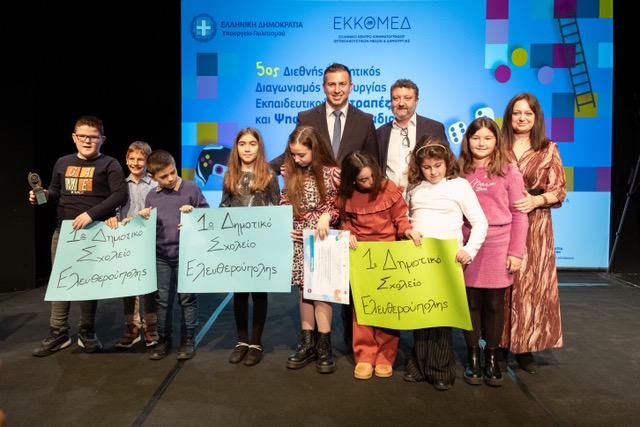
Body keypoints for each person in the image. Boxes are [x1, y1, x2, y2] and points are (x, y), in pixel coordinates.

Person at [29, 116, 128, 357]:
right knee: (61, 282)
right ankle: (58, 332)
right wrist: (42, 195)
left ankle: (87, 331)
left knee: (88, 284)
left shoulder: (110, 164)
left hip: (94, 233)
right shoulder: (63, 162)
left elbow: (120, 195)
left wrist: (91, 214)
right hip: (63, 232)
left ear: (102, 139)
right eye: (82, 136)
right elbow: (55, 191)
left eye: (93, 136)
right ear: (74, 137)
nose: (87, 140)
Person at [402, 136, 488, 390]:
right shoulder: (414, 186)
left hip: (448, 260)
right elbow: (405, 216)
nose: (433, 172)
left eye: (437, 165)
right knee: (420, 313)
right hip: (418, 259)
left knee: (441, 315)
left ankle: (440, 368)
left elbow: (480, 222)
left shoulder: (459, 185)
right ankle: (419, 364)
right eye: (426, 167)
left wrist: (469, 249)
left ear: (447, 161)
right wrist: (407, 230)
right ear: (419, 166)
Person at [337, 150, 422, 380]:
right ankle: (365, 355)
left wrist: (408, 230)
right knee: (362, 309)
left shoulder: (388, 189)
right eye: (363, 180)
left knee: (388, 308)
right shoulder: (347, 196)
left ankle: (385, 355)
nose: (370, 182)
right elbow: (344, 221)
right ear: (352, 180)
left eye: (372, 176)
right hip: (361, 257)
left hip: (388, 256)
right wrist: (347, 233)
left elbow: (400, 218)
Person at [458, 117, 528, 386]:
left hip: (499, 244)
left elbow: (519, 215)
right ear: (467, 141)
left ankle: (492, 357)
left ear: (497, 141)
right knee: (471, 303)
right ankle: (473, 358)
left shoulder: (509, 172)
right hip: (467, 245)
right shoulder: (458, 170)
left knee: (495, 304)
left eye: (487, 138)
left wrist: (516, 252)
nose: (481, 143)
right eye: (476, 138)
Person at [500, 92, 567, 374]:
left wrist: (536, 200)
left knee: (530, 285)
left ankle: (525, 348)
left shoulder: (548, 148)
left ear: (536, 117)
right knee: (501, 282)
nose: (522, 118)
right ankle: (498, 345)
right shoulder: (497, 145)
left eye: (528, 113)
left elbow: (559, 190)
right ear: (509, 116)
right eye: (517, 113)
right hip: (502, 222)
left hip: (535, 224)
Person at [137, 149, 209, 360]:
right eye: (164, 176)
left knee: (187, 299)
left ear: (176, 166)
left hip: (186, 254)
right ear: (153, 177)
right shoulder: (152, 196)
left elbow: (206, 215)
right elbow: (149, 226)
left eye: (173, 172)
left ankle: (188, 339)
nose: (170, 178)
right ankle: (164, 339)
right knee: (162, 300)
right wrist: (144, 218)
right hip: (161, 255)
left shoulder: (191, 188)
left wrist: (193, 215)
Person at [280, 125, 341, 374]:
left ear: (314, 149)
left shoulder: (333, 173)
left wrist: (328, 215)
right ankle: (307, 343)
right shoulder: (291, 173)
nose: (297, 159)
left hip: (323, 238)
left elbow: (339, 203)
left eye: (301, 154)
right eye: (293, 154)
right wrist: (287, 224)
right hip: (299, 238)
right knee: (304, 289)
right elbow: (285, 202)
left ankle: (324, 345)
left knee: (322, 290)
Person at [220, 128, 281, 366]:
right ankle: (242, 341)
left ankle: (256, 342)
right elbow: (224, 206)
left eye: (252, 144)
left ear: (259, 147)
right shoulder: (230, 175)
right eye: (242, 144)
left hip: (261, 243)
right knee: (239, 293)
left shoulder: (268, 175)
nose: (247, 148)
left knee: (259, 292)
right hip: (237, 244)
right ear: (236, 147)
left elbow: (276, 205)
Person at [270, 62, 379, 173]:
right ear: (324, 87)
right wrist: (262, 172)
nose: (337, 90)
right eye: (331, 84)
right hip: (316, 183)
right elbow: (290, 156)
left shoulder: (365, 121)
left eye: (342, 84)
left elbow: (373, 164)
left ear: (350, 87)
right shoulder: (307, 118)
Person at [105, 141, 160, 349]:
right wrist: (113, 218)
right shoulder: (121, 185)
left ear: (148, 161)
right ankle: (131, 327)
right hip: (126, 240)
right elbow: (113, 207)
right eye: (132, 159)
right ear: (126, 160)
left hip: (150, 240)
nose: (136, 163)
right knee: (128, 284)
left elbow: (160, 210)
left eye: (141, 159)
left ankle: (151, 326)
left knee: (149, 286)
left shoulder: (155, 184)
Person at [376, 78, 447, 190]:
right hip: (390, 197)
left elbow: (446, 164)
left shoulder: (434, 128)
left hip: (426, 195)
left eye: (407, 98)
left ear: (416, 101)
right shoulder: (380, 133)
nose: (401, 103)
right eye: (396, 98)